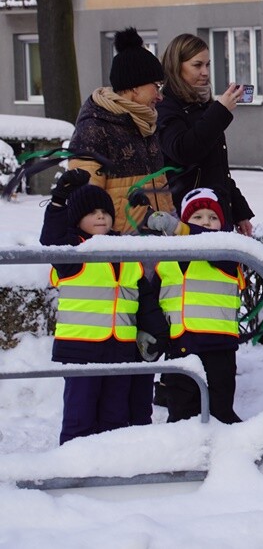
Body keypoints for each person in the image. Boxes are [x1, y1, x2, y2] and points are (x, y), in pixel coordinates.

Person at [40, 171, 165, 443]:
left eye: (105, 212)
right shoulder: (72, 252)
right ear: (76, 219)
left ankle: (111, 467)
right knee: (80, 415)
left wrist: (156, 332)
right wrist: (59, 202)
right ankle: (74, 465)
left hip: (120, 348)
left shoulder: (125, 252)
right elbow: (51, 241)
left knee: (115, 416)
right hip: (82, 349)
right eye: (92, 212)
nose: (100, 216)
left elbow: (143, 299)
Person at [144, 188, 244, 423]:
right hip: (179, 345)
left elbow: (209, 244)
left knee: (220, 409)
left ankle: (227, 451)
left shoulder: (228, 250)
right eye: (197, 217)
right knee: (181, 411)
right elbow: (154, 300)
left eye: (213, 218)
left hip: (218, 345)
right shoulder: (167, 257)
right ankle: (183, 456)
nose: (206, 223)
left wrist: (182, 229)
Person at [67, 27, 176, 235]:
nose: (160, 96)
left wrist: (171, 218)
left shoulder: (145, 123)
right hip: (123, 247)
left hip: (159, 242)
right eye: (156, 85)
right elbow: (85, 199)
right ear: (135, 87)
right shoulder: (95, 126)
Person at [156, 33, 254, 236]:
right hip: (189, 216)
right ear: (176, 66)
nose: (205, 72)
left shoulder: (203, 105)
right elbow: (183, 150)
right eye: (197, 65)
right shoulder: (166, 106)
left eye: (208, 65)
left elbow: (217, 167)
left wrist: (238, 211)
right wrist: (219, 111)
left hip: (215, 214)